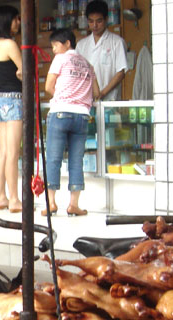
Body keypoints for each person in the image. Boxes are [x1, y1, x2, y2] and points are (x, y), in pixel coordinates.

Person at [42, 29, 100, 217]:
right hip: (82, 116)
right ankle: (73, 205)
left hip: (60, 113)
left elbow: (48, 86)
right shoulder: (88, 64)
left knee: (53, 159)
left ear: (67, 43)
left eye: (55, 46)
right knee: (76, 160)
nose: (53, 50)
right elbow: (96, 92)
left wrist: (64, 97)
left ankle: (51, 203)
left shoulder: (61, 59)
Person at [0, 5, 24, 213]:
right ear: (7, 21)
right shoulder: (10, 44)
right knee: (13, 153)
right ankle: (14, 200)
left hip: (0, 100)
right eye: (15, 19)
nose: (18, 23)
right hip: (14, 100)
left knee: (3, 152)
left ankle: (1, 196)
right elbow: (24, 70)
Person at [75, 0, 128, 101]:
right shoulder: (81, 45)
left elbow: (120, 72)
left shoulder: (117, 42)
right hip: (86, 100)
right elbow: (77, 73)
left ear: (106, 19)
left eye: (99, 21)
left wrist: (102, 93)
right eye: (91, 21)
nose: (94, 25)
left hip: (110, 99)